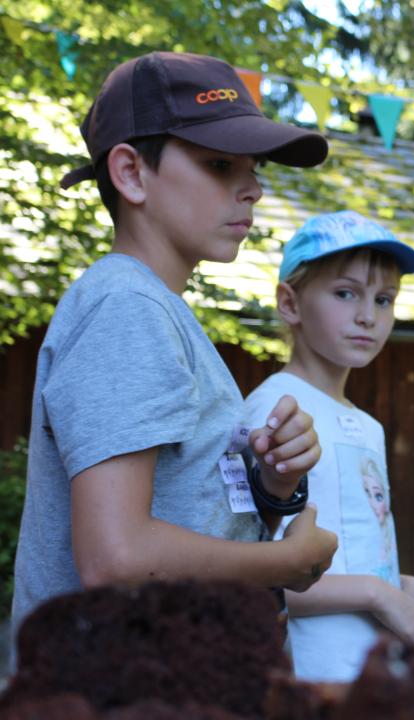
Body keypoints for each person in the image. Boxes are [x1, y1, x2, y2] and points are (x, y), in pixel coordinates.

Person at [11, 51, 340, 638]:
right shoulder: (126, 309)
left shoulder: (153, 310)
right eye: (219, 164)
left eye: (254, 166)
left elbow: (191, 519)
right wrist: (285, 563)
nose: (254, 190)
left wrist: (272, 481)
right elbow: (117, 558)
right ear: (131, 173)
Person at [243, 210, 414, 682]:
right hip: (313, 678)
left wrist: (408, 586)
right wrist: (379, 595)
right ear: (290, 303)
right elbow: (258, 576)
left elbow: (361, 555)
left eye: (384, 299)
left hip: (376, 677)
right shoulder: (276, 412)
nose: (368, 316)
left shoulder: (369, 427)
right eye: (345, 294)